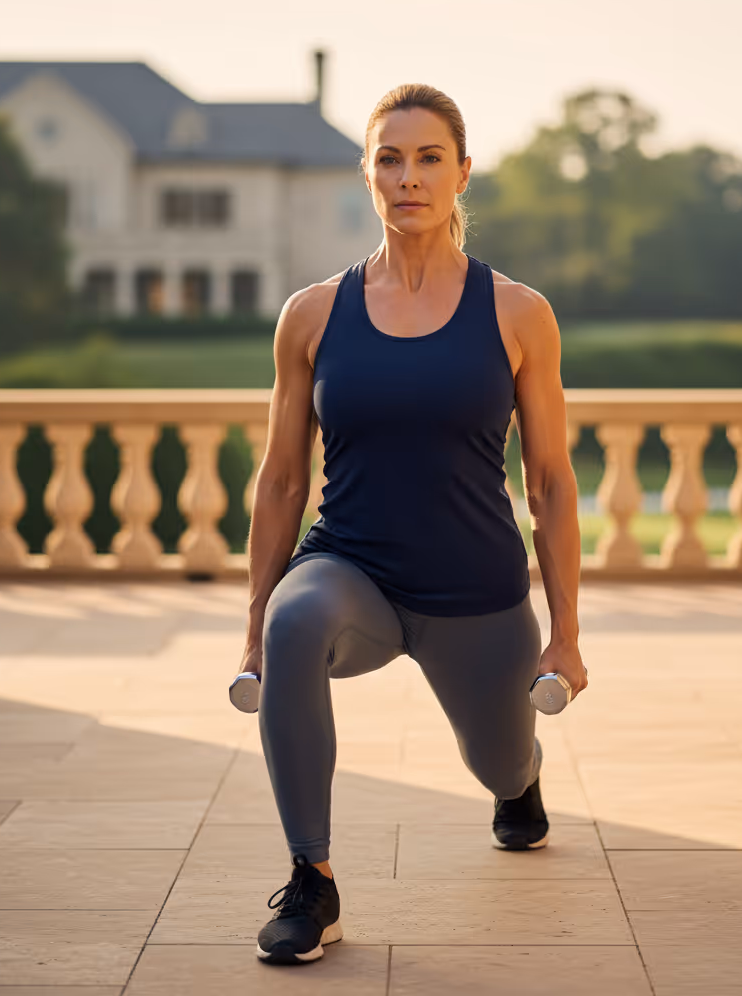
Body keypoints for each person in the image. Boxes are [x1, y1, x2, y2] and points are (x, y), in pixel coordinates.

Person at [239, 83, 585, 966]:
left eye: (430, 158)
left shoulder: (518, 314)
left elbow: (548, 479)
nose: (409, 177)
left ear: (462, 174)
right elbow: (281, 481)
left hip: (475, 590)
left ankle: (523, 784)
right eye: (389, 159)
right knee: (296, 619)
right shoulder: (314, 315)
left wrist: (568, 635)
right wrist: (254, 627)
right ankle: (311, 883)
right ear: (368, 176)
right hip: (351, 569)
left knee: (499, 765)